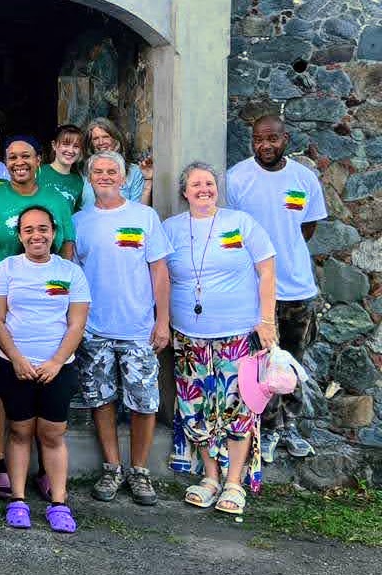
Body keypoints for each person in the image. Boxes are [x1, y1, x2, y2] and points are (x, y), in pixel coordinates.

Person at [165, 162, 278, 515]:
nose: (204, 189)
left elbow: (267, 270)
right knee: (194, 406)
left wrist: (267, 320)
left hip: (236, 334)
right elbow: (159, 276)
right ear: (184, 192)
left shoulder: (240, 223)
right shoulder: (170, 229)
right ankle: (210, 477)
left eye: (209, 183)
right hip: (188, 337)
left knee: (237, 406)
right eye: (196, 184)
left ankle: (234, 482)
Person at [72, 150, 172, 506]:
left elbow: (159, 271)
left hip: (138, 328)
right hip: (95, 329)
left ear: (123, 176)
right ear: (89, 177)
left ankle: (140, 470)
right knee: (102, 399)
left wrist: (163, 321)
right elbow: (71, 275)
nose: (104, 176)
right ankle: (112, 466)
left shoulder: (144, 217)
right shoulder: (79, 221)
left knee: (144, 403)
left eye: (111, 171)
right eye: (97, 171)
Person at [226, 114, 326, 461]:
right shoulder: (237, 178)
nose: (265, 145)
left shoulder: (304, 179)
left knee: (293, 361)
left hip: (297, 287)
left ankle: (291, 427)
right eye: (258, 139)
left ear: (286, 139)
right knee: (262, 363)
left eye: (272, 139)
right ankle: (266, 429)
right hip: (254, 290)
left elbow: (307, 228)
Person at [0, 205, 90, 533]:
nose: (37, 235)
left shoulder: (71, 272)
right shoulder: (6, 269)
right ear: (20, 235)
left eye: (43, 229)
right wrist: (16, 358)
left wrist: (57, 361)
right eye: (29, 230)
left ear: (54, 233)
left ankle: (59, 502)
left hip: (57, 367)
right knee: (19, 431)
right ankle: (17, 499)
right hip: (14, 365)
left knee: (52, 433)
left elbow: (76, 325)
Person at [0, 137, 77, 275]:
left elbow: (67, 247)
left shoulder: (58, 200)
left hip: (48, 290)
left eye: (26, 156)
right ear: (6, 162)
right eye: (12, 158)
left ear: (38, 160)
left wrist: (62, 284)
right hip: (1, 292)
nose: (19, 162)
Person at [80, 118, 153, 208]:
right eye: (95, 139)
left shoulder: (133, 171)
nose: (101, 142)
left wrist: (148, 181)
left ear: (116, 139)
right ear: (90, 144)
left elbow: (139, 210)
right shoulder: (83, 172)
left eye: (105, 137)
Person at [38, 124, 86, 212]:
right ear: (54, 145)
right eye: (66, 144)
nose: (70, 150)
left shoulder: (78, 181)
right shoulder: (38, 173)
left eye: (76, 146)